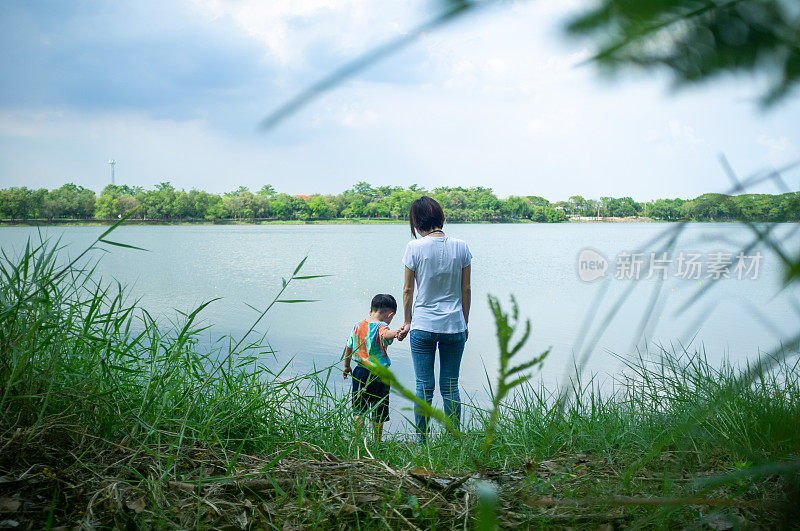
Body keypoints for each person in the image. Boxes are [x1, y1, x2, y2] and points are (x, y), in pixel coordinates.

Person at [400, 196, 472, 443]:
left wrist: (407, 321)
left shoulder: (414, 247)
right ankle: (454, 440)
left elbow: (408, 291)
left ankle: (421, 443)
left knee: (424, 386)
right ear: (441, 217)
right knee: (450, 385)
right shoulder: (461, 246)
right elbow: (466, 289)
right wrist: (464, 323)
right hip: (454, 325)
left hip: (423, 325)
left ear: (417, 222)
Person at [343, 294, 406, 441]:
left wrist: (346, 366)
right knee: (379, 410)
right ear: (389, 315)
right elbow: (385, 334)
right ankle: (377, 441)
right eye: (391, 317)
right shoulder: (382, 326)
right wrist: (396, 333)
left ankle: (355, 440)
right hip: (379, 375)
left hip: (360, 372)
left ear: (371, 310)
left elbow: (348, 347)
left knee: (359, 408)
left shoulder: (358, 326)